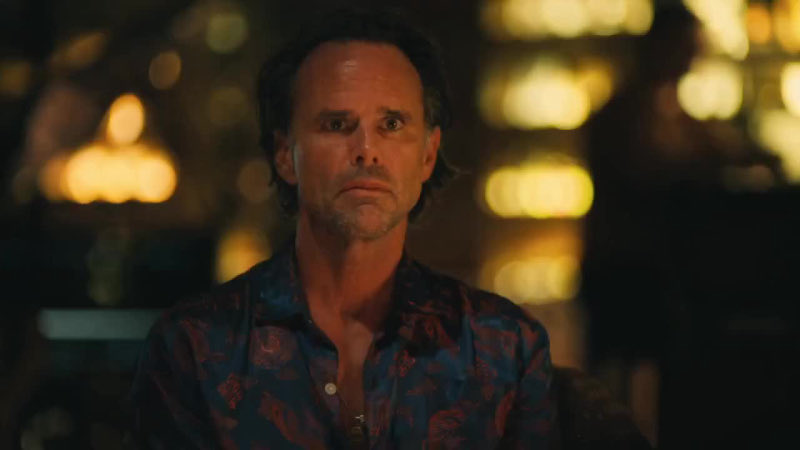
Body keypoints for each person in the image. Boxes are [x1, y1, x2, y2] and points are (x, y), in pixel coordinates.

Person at [129, 9, 553, 449]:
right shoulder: (196, 347)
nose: (367, 150)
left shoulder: (503, 348)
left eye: (391, 125)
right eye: (337, 125)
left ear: (428, 155)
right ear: (284, 154)